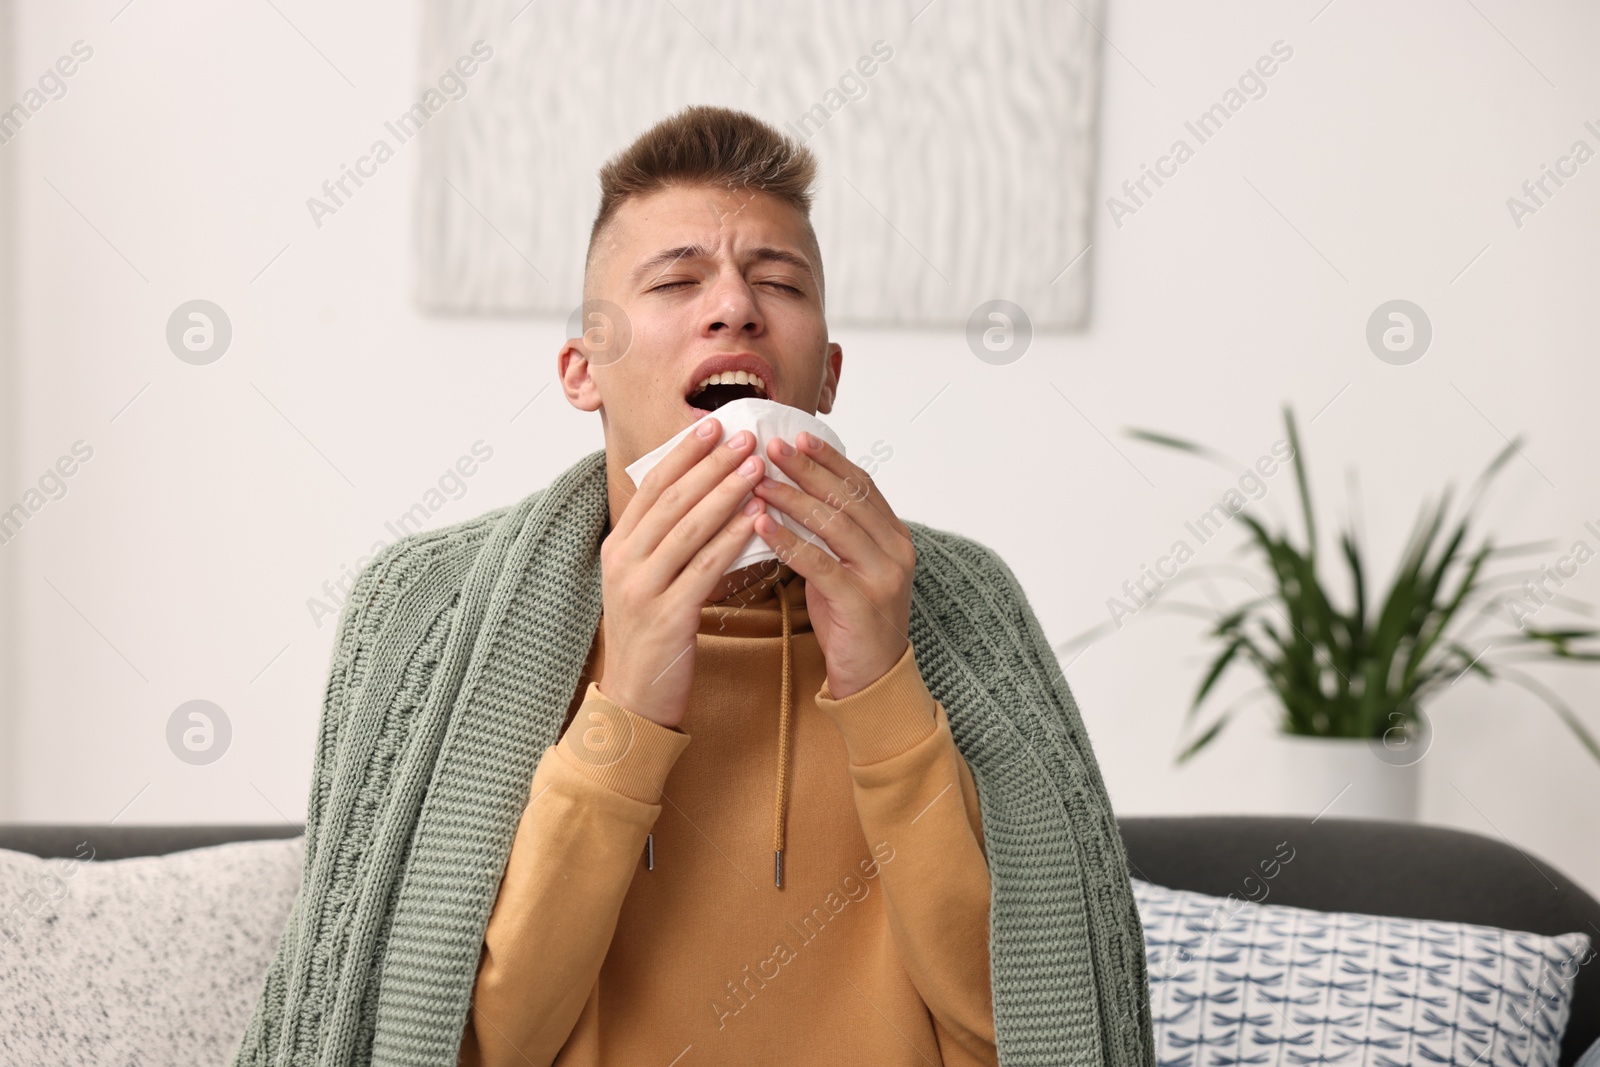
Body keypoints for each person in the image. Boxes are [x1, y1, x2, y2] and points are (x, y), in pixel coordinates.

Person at [232, 105, 1154, 1067]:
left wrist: (882, 680)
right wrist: (627, 706)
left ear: (826, 375)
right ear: (581, 371)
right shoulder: (422, 610)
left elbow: (1034, 1037)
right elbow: (448, 1050)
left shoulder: (969, 607)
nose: (735, 307)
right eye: (678, 278)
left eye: (779, 282)